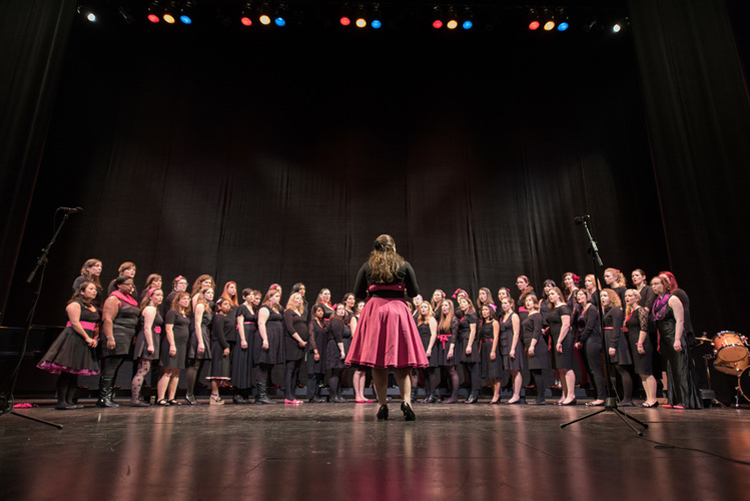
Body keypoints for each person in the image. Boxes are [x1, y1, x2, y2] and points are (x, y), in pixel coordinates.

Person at [345, 234, 428, 421]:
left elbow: (358, 293)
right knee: (403, 361)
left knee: (378, 362)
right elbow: (414, 292)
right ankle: (406, 401)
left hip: (375, 311)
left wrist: (374, 289)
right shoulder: (404, 265)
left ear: (375, 249)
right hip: (398, 310)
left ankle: (382, 404)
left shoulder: (367, 266)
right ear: (393, 247)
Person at [37, 281, 100, 409]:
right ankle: (62, 402)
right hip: (74, 338)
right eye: (91, 289)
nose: (95, 291)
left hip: (86, 339)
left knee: (75, 371)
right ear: (82, 291)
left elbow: (96, 325)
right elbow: (75, 323)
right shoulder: (75, 305)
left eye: (95, 289)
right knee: (67, 371)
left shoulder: (93, 307)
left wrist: (95, 338)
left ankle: (70, 400)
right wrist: (87, 337)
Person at [651, 274, 702, 409]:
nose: (654, 287)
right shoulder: (657, 302)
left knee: (681, 368)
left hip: (675, 336)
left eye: (657, 284)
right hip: (665, 339)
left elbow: (680, 320)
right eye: (652, 285)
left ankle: (685, 401)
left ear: (665, 284)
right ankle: (673, 400)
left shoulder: (673, 299)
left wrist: (677, 339)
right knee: (670, 369)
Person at [98, 275, 140, 408]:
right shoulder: (113, 299)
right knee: (110, 367)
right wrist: (110, 337)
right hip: (116, 335)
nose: (130, 287)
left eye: (132, 284)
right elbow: (107, 319)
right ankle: (104, 398)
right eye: (127, 284)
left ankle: (109, 397)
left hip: (126, 336)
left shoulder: (130, 300)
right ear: (118, 285)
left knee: (116, 366)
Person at [624, 289, 657, 407]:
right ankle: (649, 398)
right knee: (641, 372)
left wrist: (640, 343)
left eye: (630, 296)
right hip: (634, 344)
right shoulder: (631, 312)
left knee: (647, 371)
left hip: (642, 343)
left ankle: (653, 398)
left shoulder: (641, 310)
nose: (627, 298)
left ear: (637, 298)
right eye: (626, 296)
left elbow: (644, 328)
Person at [130, 288, 164, 407]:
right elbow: (147, 328)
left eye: (161, 295)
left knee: (144, 369)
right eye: (158, 295)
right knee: (143, 369)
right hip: (146, 340)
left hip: (150, 339)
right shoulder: (150, 309)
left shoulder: (154, 309)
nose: (160, 297)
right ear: (150, 296)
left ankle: (136, 398)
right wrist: (150, 344)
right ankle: (135, 399)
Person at [157, 292, 191, 406]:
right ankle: (160, 398)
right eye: (184, 299)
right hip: (173, 343)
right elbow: (168, 329)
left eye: (188, 299)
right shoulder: (172, 312)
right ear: (178, 300)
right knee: (168, 371)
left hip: (182, 345)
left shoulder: (185, 314)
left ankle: (171, 398)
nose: (187, 301)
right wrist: (172, 344)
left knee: (177, 372)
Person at [601, 288, 634, 406]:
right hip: (607, 340)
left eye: (605, 296)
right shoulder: (606, 310)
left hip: (616, 341)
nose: (602, 298)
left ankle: (627, 399)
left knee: (621, 369)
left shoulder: (616, 310)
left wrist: (613, 345)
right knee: (612, 370)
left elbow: (616, 328)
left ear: (611, 297)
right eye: (601, 296)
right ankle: (616, 397)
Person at [573, 290, 605, 406]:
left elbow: (589, 327)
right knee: (589, 370)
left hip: (593, 340)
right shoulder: (581, 310)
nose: (579, 296)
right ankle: (596, 395)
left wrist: (581, 341)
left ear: (587, 296)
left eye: (582, 294)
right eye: (578, 295)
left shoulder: (591, 309)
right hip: (585, 341)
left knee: (594, 369)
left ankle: (601, 396)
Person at [544, 287, 575, 405]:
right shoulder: (554, 308)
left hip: (564, 339)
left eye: (552, 294)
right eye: (549, 295)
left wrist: (559, 341)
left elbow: (566, 325)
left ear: (558, 294)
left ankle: (571, 395)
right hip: (556, 339)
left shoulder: (564, 307)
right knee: (560, 368)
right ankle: (564, 394)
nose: (550, 296)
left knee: (566, 366)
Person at [255, 288, 285, 404]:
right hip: (268, 337)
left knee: (269, 366)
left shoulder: (276, 309)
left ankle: (263, 395)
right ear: (270, 297)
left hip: (275, 339)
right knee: (264, 366)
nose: (278, 299)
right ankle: (261, 395)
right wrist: (265, 339)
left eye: (279, 296)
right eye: (276, 296)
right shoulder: (264, 308)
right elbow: (261, 324)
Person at [185, 287, 214, 405]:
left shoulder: (207, 306)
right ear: (203, 294)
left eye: (212, 292)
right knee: (195, 364)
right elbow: (196, 324)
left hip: (205, 333)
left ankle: (193, 393)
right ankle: (189, 394)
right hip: (199, 334)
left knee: (199, 364)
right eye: (208, 293)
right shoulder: (200, 306)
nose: (211, 294)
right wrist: (200, 341)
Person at [521, 296, 549, 405]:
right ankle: (539, 397)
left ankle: (541, 398)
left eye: (530, 301)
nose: (527, 302)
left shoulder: (537, 315)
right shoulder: (528, 315)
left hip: (537, 345)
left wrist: (532, 346)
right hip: (530, 345)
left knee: (537, 372)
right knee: (534, 371)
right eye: (526, 300)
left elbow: (537, 331)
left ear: (535, 303)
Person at [233, 289, 259, 404]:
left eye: (253, 295)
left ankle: (245, 393)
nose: (251, 297)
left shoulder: (253, 308)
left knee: (248, 363)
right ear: (244, 297)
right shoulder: (242, 308)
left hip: (252, 337)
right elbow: (240, 324)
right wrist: (243, 339)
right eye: (249, 295)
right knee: (241, 362)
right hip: (244, 336)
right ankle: (238, 393)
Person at [283, 292, 308, 404]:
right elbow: (290, 327)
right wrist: (300, 340)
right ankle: (288, 395)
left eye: (300, 298)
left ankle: (293, 395)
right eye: (297, 298)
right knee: (290, 369)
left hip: (300, 345)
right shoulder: (289, 311)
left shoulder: (300, 312)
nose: (299, 300)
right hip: (292, 343)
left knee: (296, 370)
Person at [207, 297, 232, 405]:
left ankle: (216, 393)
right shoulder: (219, 318)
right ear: (219, 306)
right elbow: (220, 333)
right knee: (217, 370)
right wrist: (225, 346)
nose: (227, 306)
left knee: (221, 371)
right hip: (219, 345)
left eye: (228, 304)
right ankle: (214, 394)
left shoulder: (224, 317)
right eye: (225, 304)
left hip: (223, 344)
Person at [500, 298, 524, 404]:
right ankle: (515, 393)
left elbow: (516, 333)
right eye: (502, 304)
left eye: (506, 303)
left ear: (511, 304)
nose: (504, 305)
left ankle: (516, 395)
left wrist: (513, 348)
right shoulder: (504, 317)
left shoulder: (514, 316)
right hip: (506, 344)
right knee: (511, 371)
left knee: (515, 369)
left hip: (513, 344)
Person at [457, 297, 480, 404]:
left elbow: (473, 330)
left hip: (469, 342)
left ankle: (474, 394)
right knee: (468, 369)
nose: (462, 304)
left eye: (464, 302)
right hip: (464, 341)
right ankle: (471, 393)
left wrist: (469, 345)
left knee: (473, 369)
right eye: (461, 303)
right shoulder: (464, 315)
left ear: (469, 304)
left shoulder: (471, 314)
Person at [437, 299, 460, 404]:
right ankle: (450, 394)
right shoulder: (443, 319)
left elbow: (454, 335)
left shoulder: (453, 318)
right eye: (443, 306)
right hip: (444, 345)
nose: (444, 307)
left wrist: (451, 349)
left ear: (450, 307)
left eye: (446, 305)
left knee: (451, 370)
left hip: (450, 345)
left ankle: (454, 396)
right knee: (447, 370)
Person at [416, 302, 438, 403]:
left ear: (429, 309)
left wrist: (429, 349)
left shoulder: (431, 319)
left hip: (429, 346)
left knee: (430, 371)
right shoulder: (420, 321)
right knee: (424, 372)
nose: (423, 309)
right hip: (421, 347)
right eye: (422, 308)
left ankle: (432, 395)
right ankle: (427, 394)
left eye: (425, 307)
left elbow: (433, 335)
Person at [479, 304, 502, 404]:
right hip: (484, 347)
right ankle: (494, 393)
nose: (484, 312)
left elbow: (496, 337)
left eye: (486, 310)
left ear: (490, 311)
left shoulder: (494, 322)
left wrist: (493, 351)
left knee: (495, 372)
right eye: (483, 310)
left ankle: (497, 394)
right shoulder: (483, 323)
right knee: (489, 373)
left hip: (491, 346)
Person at [307, 304, 328, 403]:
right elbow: (311, 337)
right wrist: (315, 351)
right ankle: (311, 396)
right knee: (313, 374)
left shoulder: (322, 323)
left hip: (322, 351)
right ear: (314, 312)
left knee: (318, 374)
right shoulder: (312, 323)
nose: (320, 313)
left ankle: (316, 394)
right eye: (318, 311)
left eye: (322, 311)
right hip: (314, 351)